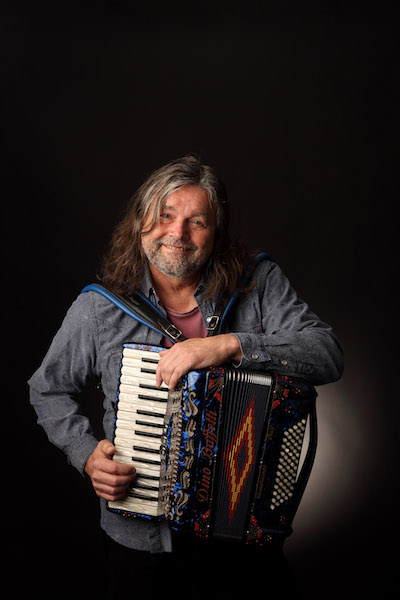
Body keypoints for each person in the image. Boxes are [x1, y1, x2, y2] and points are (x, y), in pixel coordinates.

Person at [28, 155, 343, 599]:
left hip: (244, 539)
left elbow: (327, 354)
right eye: (164, 216)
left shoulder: (260, 283)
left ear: (216, 233)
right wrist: (85, 455)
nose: (177, 234)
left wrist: (230, 344)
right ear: (141, 222)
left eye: (197, 221)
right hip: (144, 546)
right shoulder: (99, 309)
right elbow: (47, 388)